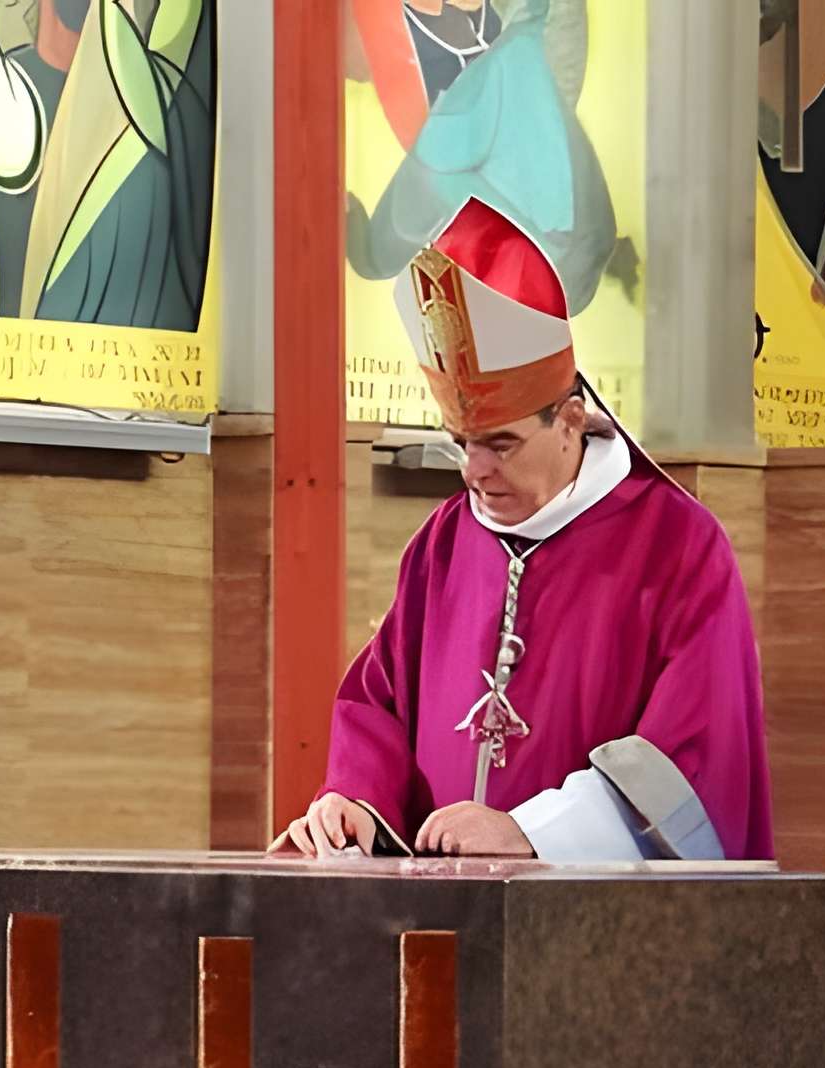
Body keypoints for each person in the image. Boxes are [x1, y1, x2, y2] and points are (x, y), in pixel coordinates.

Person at [282, 197, 773, 863]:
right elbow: (381, 701)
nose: (473, 472)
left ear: (571, 418)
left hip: (599, 924)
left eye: (500, 444)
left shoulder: (678, 547)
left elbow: (698, 752)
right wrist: (355, 798)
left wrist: (535, 833)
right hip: (443, 912)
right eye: (461, 442)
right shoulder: (444, 542)